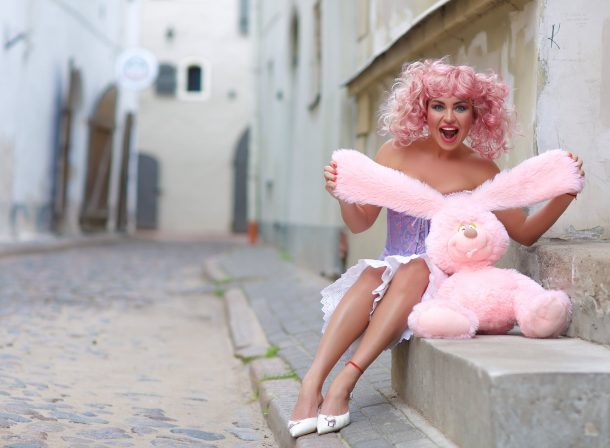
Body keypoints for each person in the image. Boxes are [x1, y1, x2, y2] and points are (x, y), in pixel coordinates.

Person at [288, 59, 585, 437]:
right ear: (422, 110)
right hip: (390, 274)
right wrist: (342, 195)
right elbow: (361, 222)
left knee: (415, 268)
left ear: (477, 115)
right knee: (375, 272)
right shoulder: (394, 153)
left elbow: (524, 233)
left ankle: (345, 383)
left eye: (460, 107)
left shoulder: (482, 170)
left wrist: (565, 193)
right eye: (438, 106)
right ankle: (311, 384)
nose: (448, 117)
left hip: (443, 285)